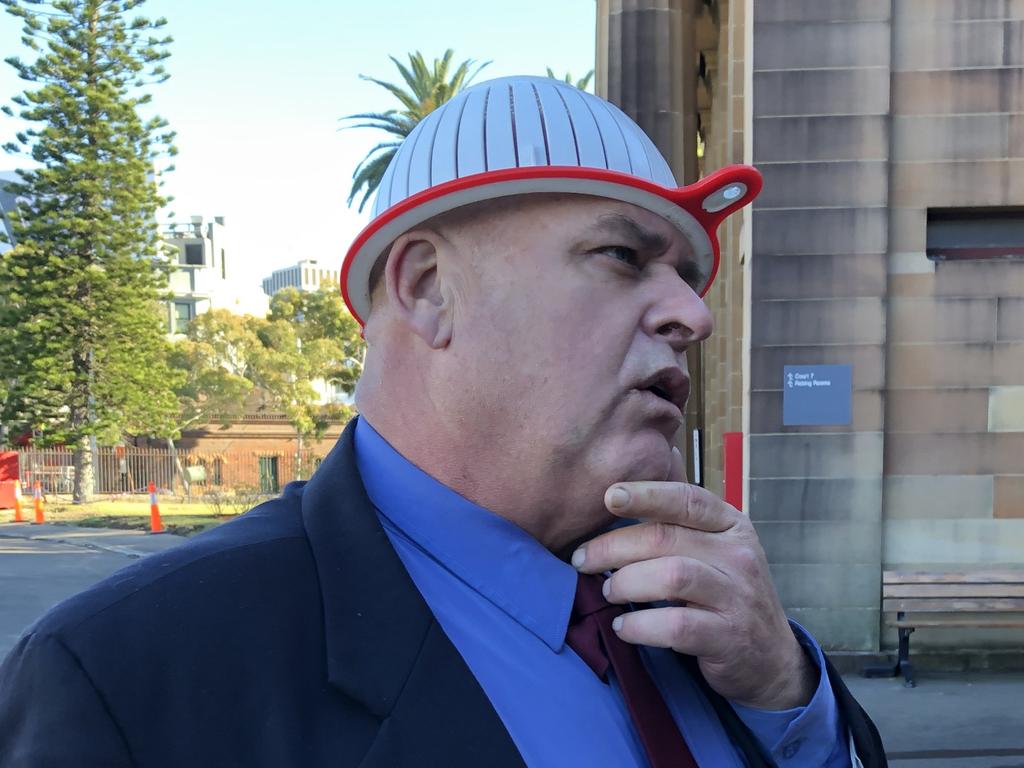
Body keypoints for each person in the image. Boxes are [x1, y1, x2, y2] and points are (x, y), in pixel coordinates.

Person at [0, 76, 885, 767]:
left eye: (688, 279)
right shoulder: (127, 677)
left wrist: (788, 696)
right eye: (623, 256)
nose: (691, 317)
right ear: (426, 289)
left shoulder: (720, 629)